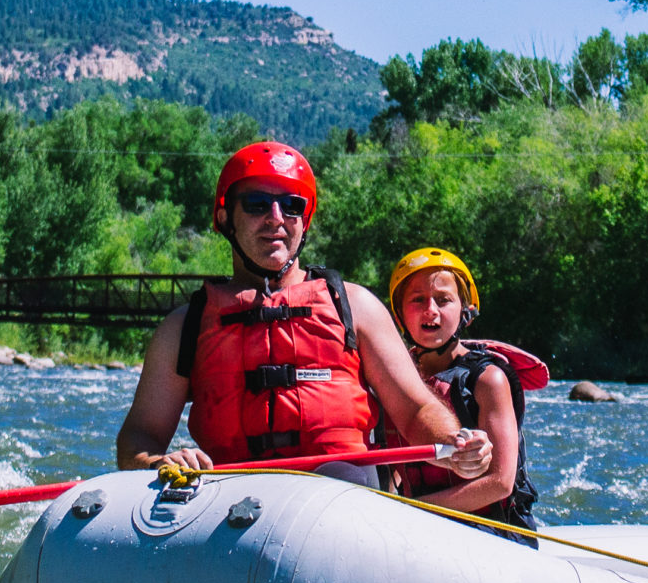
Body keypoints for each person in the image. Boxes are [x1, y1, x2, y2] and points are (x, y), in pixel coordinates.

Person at [115, 142, 491, 486]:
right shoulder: (184, 327)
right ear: (226, 217)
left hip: (337, 495)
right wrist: (158, 463)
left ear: (304, 220)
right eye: (257, 204)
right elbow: (140, 437)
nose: (276, 217)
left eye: (292, 205)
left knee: (343, 473)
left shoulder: (355, 306)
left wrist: (453, 442)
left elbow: (415, 408)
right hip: (228, 498)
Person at [383, 246, 550, 541]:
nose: (430, 310)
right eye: (417, 300)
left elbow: (500, 482)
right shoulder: (395, 378)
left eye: (444, 300)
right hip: (416, 525)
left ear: (466, 311)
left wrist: (414, 509)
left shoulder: (488, 380)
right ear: (399, 315)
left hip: (490, 533)